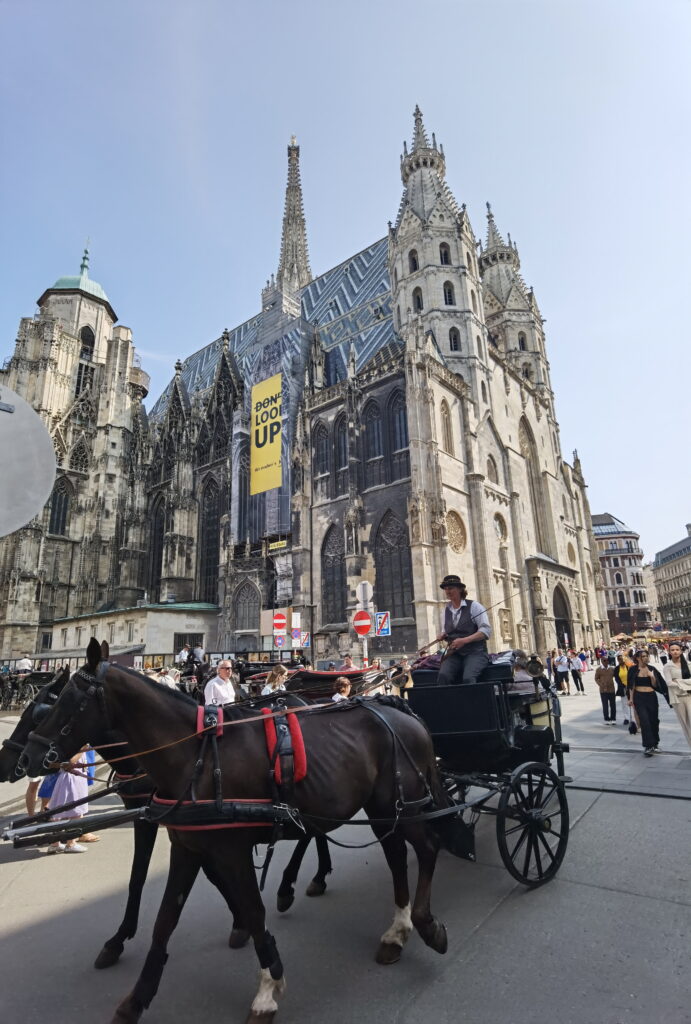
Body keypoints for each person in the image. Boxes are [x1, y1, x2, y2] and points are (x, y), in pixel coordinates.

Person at [435, 575, 491, 686]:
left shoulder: (475, 606)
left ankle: (472, 703)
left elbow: (486, 631)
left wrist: (464, 640)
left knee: (468, 678)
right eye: (446, 589)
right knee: (443, 676)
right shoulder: (445, 610)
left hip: (476, 653)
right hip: (454, 654)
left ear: (460, 589)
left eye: (451, 588)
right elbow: (446, 631)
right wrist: (442, 635)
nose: (447, 591)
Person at [45, 746, 92, 854]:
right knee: (76, 812)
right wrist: (84, 748)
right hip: (73, 776)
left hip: (73, 776)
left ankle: (55, 844)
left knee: (58, 812)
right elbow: (71, 761)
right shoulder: (79, 744)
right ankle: (71, 843)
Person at [627, 650, 669, 757]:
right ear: (637, 658)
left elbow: (656, 685)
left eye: (646, 656)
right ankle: (648, 746)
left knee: (654, 720)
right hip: (639, 697)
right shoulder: (632, 670)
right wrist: (630, 699)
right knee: (644, 721)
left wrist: (652, 677)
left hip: (651, 697)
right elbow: (631, 686)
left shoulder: (652, 669)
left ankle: (655, 744)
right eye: (643, 656)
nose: (645, 658)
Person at [662, 642, 691, 749]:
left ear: (681, 651)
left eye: (677, 649)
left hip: (689, 696)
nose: (675, 651)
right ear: (669, 652)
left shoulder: (688, 664)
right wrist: (686, 683)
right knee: (686, 725)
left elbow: (674, 682)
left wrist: (678, 681)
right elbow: (669, 682)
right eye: (672, 650)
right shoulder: (667, 666)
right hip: (678, 698)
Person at [594, 658, 617, 724]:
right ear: (601, 661)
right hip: (603, 690)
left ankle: (613, 718)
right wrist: (601, 685)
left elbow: (617, 677)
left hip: (611, 689)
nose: (606, 662)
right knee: (605, 705)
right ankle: (606, 718)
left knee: (613, 705)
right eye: (604, 660)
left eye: (607, 660)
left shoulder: (612, 669)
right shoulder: (599, 669)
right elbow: (596, 678)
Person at [614, 654, 630, 725]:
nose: (622, 660)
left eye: (623, 659)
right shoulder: (617, 668)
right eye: (620, 659)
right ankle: (626, 718)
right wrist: (622, 685)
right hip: (622, 688)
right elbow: (617, 678)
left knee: (633, 702)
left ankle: (633, 717)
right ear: (618, 660)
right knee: (624, 703)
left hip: (630, 687)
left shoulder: (628, 666)